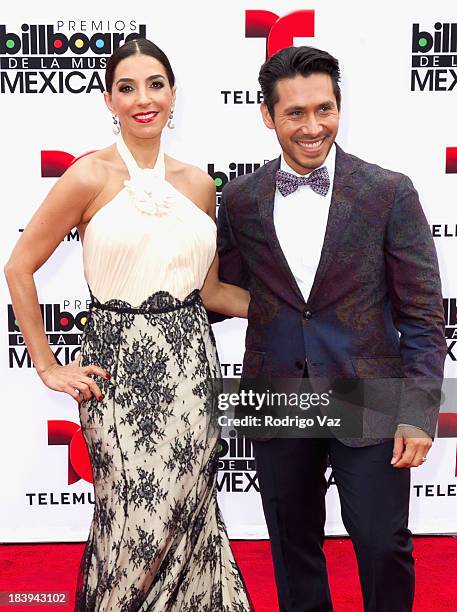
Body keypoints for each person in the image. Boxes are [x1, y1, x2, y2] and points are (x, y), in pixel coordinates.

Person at [4, 38, 252, 611]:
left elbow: (210, 290)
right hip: (117, 370)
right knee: (133, 516)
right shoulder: (88, 176)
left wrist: (296, 309)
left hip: (192, 369)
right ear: (109, 100)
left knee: (190, 514)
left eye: (156, 84)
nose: (144, 99)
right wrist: (46, 364)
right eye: (127, 87)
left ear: (172, 94)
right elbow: (19, 266)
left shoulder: (198, 184)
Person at [215, 46, 446, 611]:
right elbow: (222, 295)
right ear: (268, 116)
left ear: (339, 108)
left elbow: (422, 314)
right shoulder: (240, 200)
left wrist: (417, 413)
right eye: (295, 113)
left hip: (366, 392)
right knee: (293, 549)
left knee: (381, 542)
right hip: (277, 394)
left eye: (325, 109)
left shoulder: (387, 192)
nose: (312, 126)